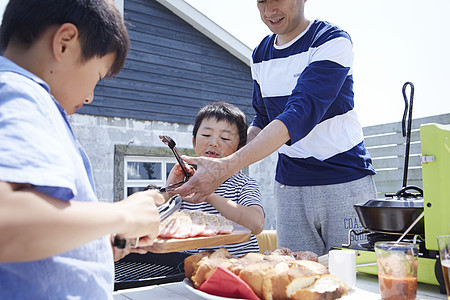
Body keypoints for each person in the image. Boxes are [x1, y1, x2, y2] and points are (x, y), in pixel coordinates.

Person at [176, 0, 377, 256]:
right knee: (293, 274)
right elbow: (263, 118)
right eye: (261, 1)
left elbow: (299, 114)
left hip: (343, 178)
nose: (269, 10)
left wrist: (225, 167)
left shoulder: (331, 39)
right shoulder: (260, 54)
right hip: (289, 186)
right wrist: (214, 163)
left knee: (350, 276)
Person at [0, 0, 163, 298]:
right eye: (98, 76)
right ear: (64, 43)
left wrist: (96, 239)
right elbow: (6, 221)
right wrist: (122, 214)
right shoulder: (21, 94)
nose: (89, 97)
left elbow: (41, 228)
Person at [165, 101, 265, 257]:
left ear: (240, 149)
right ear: (194, 141)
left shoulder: (243, 184)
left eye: (225, 138)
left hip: (233, 269)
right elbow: (156, 221)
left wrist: (208, 194)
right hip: (186, 268)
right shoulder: (185, 181)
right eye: (206, 135)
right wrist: (170, 190)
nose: (213, 143)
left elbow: (257, 224)